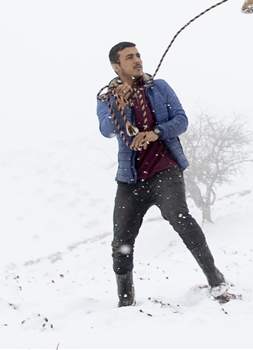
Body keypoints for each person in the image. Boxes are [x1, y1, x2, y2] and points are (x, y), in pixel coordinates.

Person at [96, 41, 226, 307]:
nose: (137, 60)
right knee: (121, 239)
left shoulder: (159, 87)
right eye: (129, 57)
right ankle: (126, 300)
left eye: (138, 55)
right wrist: (119, 106)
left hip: (165, 169)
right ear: (116, 66)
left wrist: (155, 133)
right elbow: (107, 130)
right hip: (130, 179)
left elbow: (181, 120)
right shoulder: (107, 98)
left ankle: (215, 278)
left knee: (179, 217)